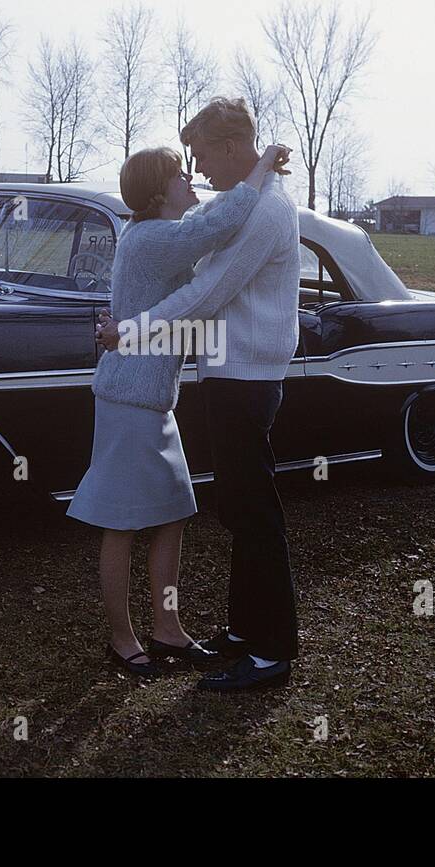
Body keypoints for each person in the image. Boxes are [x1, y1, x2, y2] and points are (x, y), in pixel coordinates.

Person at [97, 97, 302, 693]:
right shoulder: (248, 203)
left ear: (233, 148)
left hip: (246, 379)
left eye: (205, 154)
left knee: (254, 511)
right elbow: (206, 230)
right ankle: (245, 630)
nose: (201, 167)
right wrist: (261, 166)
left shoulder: (264, 213)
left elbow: (205, 295)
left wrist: (125, 332)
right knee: (238, 508)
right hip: (230, 376)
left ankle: (272, 649)